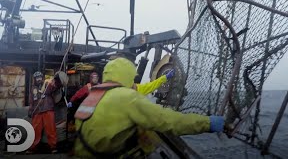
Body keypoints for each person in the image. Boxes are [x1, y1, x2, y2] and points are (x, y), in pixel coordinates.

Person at [73, 58, 225, 158]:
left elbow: (147, 87)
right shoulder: (127, 97)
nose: (134, 82)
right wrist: (207, 123)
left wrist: (164, 78)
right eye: (132, 78)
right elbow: (167, 120)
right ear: (127, 76)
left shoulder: (94, 94)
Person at [27, 71, 68, 154]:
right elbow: (31, 101)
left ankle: (53, 147)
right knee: (35, 130)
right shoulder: (32, 88)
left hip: (48, 109)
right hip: (37, 111)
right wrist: (30, 110)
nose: (38, 79)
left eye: (40, 77)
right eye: (36, 78)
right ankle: (32, 148)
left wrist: (57, 79)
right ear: (34, 79)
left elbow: (56, 86)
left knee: (51, 129)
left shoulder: (47, 84)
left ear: (42, 78)